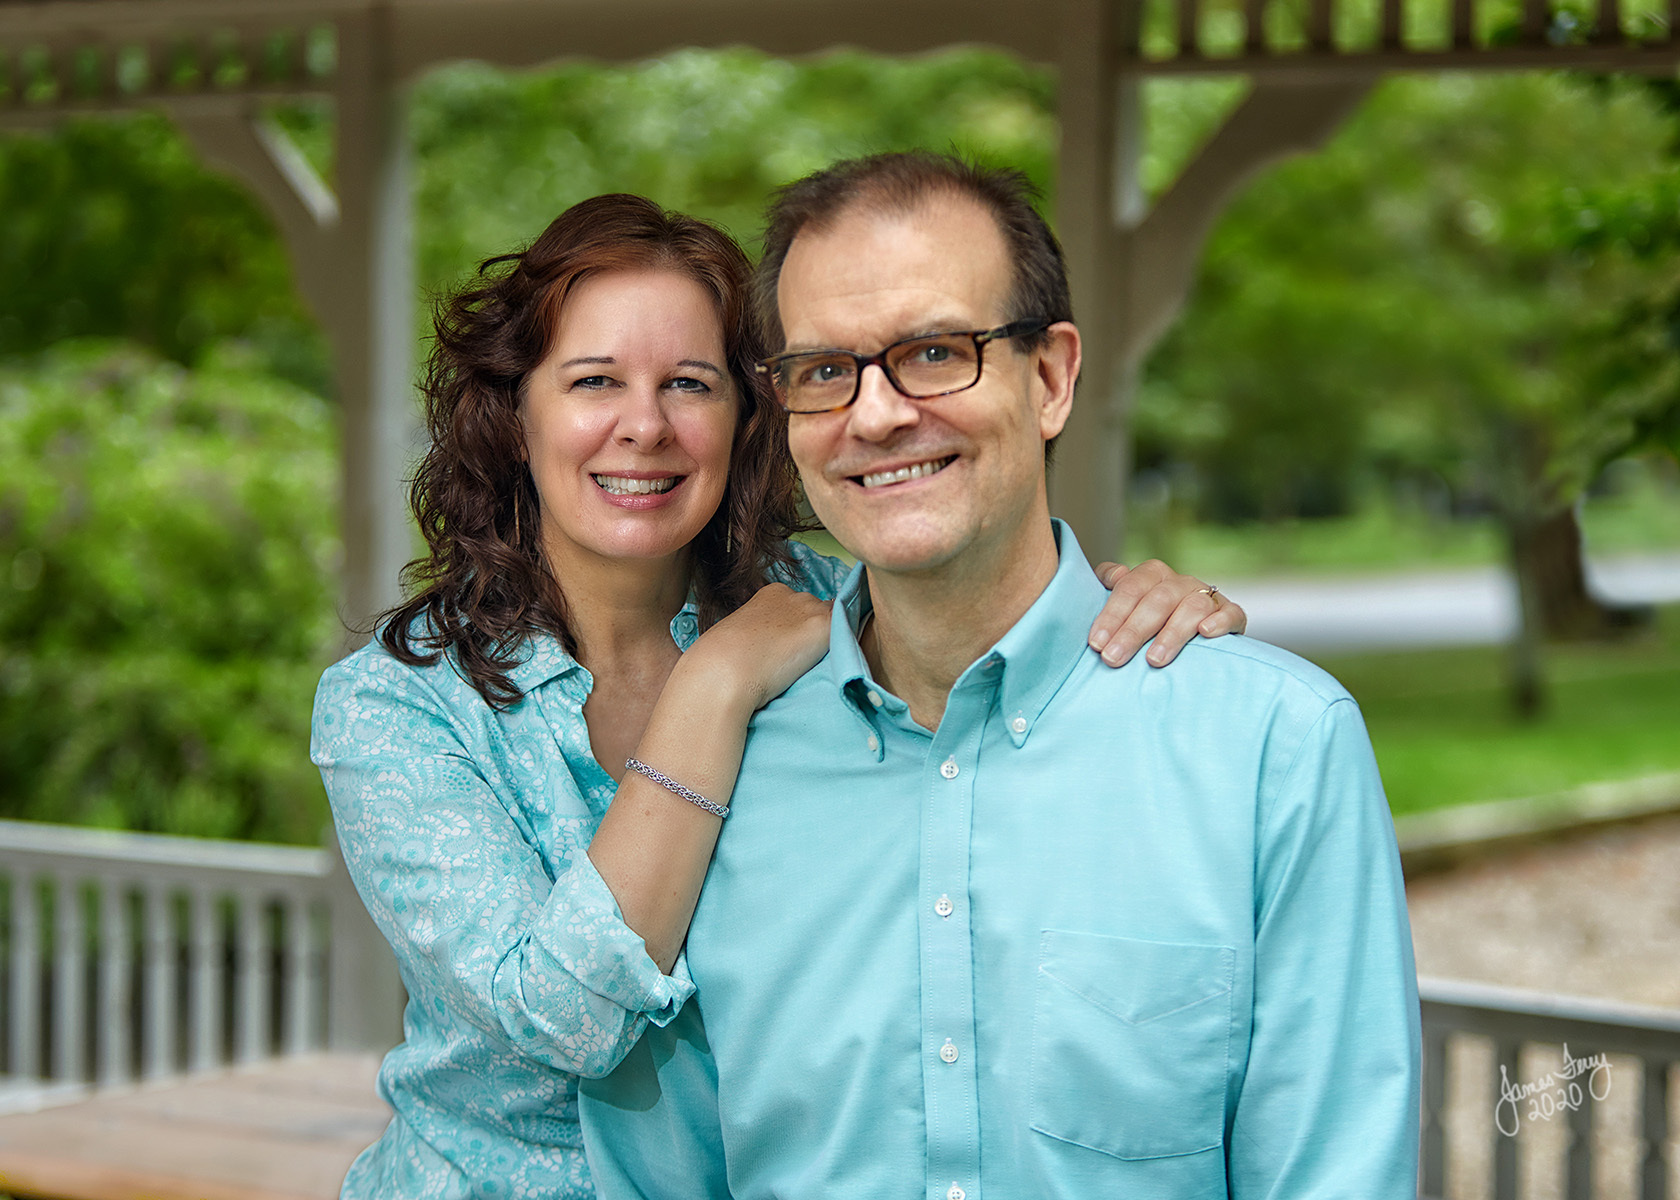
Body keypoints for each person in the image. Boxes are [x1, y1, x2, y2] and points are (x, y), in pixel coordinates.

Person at [310, 192, 1246, 1200]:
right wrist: (710, 688)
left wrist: (1129, 599)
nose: (645, 426)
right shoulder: (397, 707)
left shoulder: (817, 610)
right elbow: (559, 1023)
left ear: (750, 416)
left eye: (690, 384)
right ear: (515, 412)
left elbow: (982, 641)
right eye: (593, 381)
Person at [578, 154, 1421, 1199]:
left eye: (936, 352)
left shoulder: (1272, 749)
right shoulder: (713, 771)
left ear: (1053, 377)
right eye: (826, 370)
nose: (876, 415)